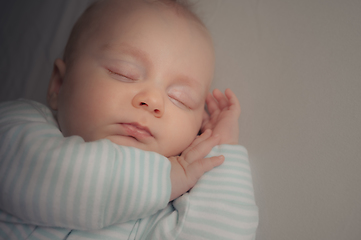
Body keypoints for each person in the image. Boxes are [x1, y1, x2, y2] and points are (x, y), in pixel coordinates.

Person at [0, 0, 258, 239]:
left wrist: (221, 148)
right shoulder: (18, 126)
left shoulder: (160, 213)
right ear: (59, 84)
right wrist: (165, 180)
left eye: (180, 98)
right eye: (123, 73)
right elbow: (51, 176)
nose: (153, 101)